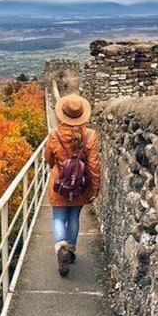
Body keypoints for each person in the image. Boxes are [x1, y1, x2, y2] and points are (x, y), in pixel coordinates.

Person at [45, 93, 101, 277]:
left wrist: (59, 168)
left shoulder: (54, 135)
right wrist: (95, 188)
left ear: (63, 113)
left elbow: (48, 159)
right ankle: (70, 250)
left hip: (60, 184)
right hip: (79, 185)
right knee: (74, 216)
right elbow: (93, 166)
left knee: (59, 217)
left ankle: (60, 246)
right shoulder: (90, 136)